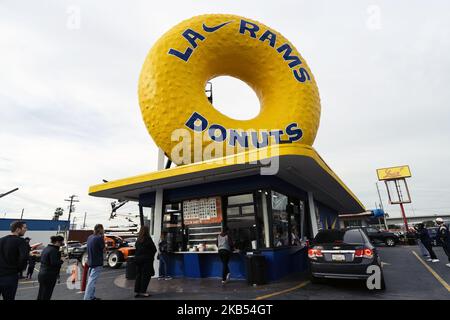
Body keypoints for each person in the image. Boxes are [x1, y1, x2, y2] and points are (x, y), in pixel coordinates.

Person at [0, 221, 29, 300]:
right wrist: (19, 269)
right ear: (18, 229)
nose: (26, 229)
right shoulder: (21, 241)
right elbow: (24, 258)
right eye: (25, 227)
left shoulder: (1, 240)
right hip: (10, 276)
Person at [37, 236, 65, 300]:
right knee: (46, 295)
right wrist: (62, 260)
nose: (62, 244)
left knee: (41, 294)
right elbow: (54, 263)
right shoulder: (54, 250)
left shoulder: (46, 248)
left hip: (42, 274)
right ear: (57, 242)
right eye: (61, 242)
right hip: (49, 275)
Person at [84, 224, 105, 300]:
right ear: (100, 229)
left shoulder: (90, 237)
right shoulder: (99, 238)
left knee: (91, 280)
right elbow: (104, 250)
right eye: (102, 229)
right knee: (92, 282)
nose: (103, 230)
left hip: (90, 262)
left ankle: (91, 296)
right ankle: (87, 298)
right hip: (97, 262)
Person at [134, 226, 157, 298]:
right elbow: (154, 249)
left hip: (138, 260)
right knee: (145, 276)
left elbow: (137, 249)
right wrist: (150, 255)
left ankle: (137, 291)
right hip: (146, 260)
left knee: (139, 275)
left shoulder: (138, 240)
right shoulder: (148, 239)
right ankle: (143, 292)